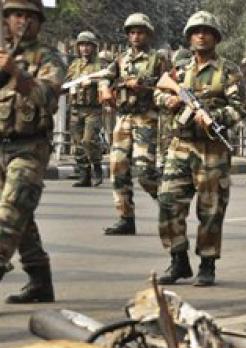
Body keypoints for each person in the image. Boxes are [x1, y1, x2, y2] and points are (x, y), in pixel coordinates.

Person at [154, 11, 244, 286]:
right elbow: (159, 90)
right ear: (189, 38)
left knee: (211, 209)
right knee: (168, 202)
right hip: (180, 145)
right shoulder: (179, 71)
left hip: (212, 149)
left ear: (215, 37)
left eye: (206, 31)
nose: (201, 35)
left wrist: (214, 118)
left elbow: (239, 107)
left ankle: (207, 263)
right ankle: (178, 259)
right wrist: (168, 101)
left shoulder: (227, 71)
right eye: (196, 31)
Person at [0, 0, 66, 303]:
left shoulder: (49, 58)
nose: (22, 21)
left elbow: (47, 96)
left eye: (28, 15)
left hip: (29, 148)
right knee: (21, 217)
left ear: (39, 21)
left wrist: (16, 73)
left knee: (10, 212)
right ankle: (40, 278)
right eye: (16, 14)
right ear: (6, 19)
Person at [99, 13, 169, 235]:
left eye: (140, 32)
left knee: (145, 170)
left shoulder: (157, 59)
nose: (136, 36)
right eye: (132, 32)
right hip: (123, 118)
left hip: (146, 117)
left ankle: (169, 205)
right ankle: (125, 217)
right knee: (117, 167)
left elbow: (169, 84)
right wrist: (104, 88)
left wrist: (144, 85)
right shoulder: (121, 59)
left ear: (148, 34)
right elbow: (105, 76)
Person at [66, 31, 104, 187]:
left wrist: (93, 83)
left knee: (89, 140)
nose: (85, 48)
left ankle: (97, 167)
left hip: (92, 109)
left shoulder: (100, 65)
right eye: (82, 45)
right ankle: (84, 175)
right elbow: (67, 80)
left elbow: (109, 80)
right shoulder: (74, 65)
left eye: (88, 45)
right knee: (78, 143)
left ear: (93, 47)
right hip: (76, 108)